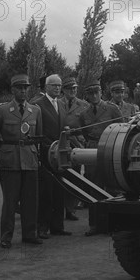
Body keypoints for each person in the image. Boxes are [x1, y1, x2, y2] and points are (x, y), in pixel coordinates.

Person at [0, 74, 43, 248]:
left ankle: (30, 234)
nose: (23, 91)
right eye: (19, 88)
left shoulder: (35, 110)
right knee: (10, 201)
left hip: (30, 158)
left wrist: (39, 159)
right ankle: (6, 237)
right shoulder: (2, 110)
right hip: (10, 159)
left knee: (31, 200)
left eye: (25, 88)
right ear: (12, 90)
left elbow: (38, 138)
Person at [79, 80, 122, 236]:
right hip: (92, 151)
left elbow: (121, 129)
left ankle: (114, 223)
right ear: (87, 97)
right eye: (91, 94)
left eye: (97, 92)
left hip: (110, 150)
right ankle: (95, 224)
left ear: (101, 93)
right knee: (93, 187)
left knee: (112, 187)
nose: (95, 96)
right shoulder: (84, 114)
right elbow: (85, 133)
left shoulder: (112, 109)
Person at [32, 74, 71, 237]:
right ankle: (43, 227)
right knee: (45, 192)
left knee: (59, 191)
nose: (57, 88)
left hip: (59, 155)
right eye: (54, 85)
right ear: (46, 87)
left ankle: (58, 226)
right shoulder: (37, 104)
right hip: (44, 154)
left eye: (59, 85)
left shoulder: (62, 105)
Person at [58, 76, 89, 221]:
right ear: (63, 90)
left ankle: (70, 209)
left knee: (74, 177)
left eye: (75, 88)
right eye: (70, 89)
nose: (73, 91)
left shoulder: (83, 105)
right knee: (59, 177)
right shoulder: (57, 103)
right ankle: (59, 208)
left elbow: (87, 125)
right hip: (61, 144)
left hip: (76, 144)